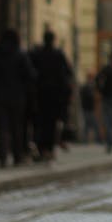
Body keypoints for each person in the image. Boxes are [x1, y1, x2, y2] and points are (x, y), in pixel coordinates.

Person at [0, 28, 36, 167]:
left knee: (3, 127)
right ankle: (17, 156)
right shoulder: (20, 55)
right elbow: (31, 75)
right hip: (17, 96)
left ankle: (2, 156)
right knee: (17, 127)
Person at [30, 29, 73, 161]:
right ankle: (48, 149)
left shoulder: (37, 54)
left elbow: (31, 72)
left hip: (40, 94)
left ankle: (41, 147)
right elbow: (67, 73)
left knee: (40, 122)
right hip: (55, 96)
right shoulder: (58, 55)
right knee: (51, 123)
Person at [79, 72, 103, 144]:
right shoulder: (85, 87)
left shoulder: (92, 87)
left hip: (91, 108)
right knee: (89, 125)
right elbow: (87, 97)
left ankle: (97, 139)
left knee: (92, 125)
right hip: (87, 108)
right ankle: (88, 140)